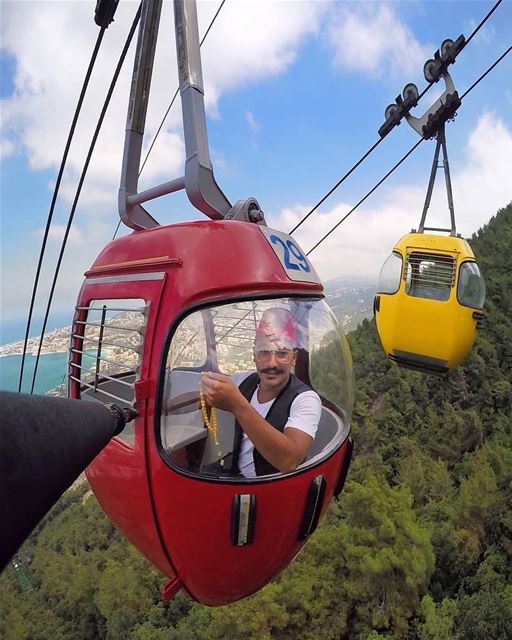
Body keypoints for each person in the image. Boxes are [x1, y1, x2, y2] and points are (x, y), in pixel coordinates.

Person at [200, 307, 321, 477]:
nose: (272, 363)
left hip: (268, 486)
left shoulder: (305, 399)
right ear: (253, 355)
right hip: (234, 471)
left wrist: (237, 405)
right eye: (264, 352)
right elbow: (215, 386)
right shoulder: (243, 381)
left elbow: (289, 461)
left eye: (282, 353)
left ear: (294, 358)